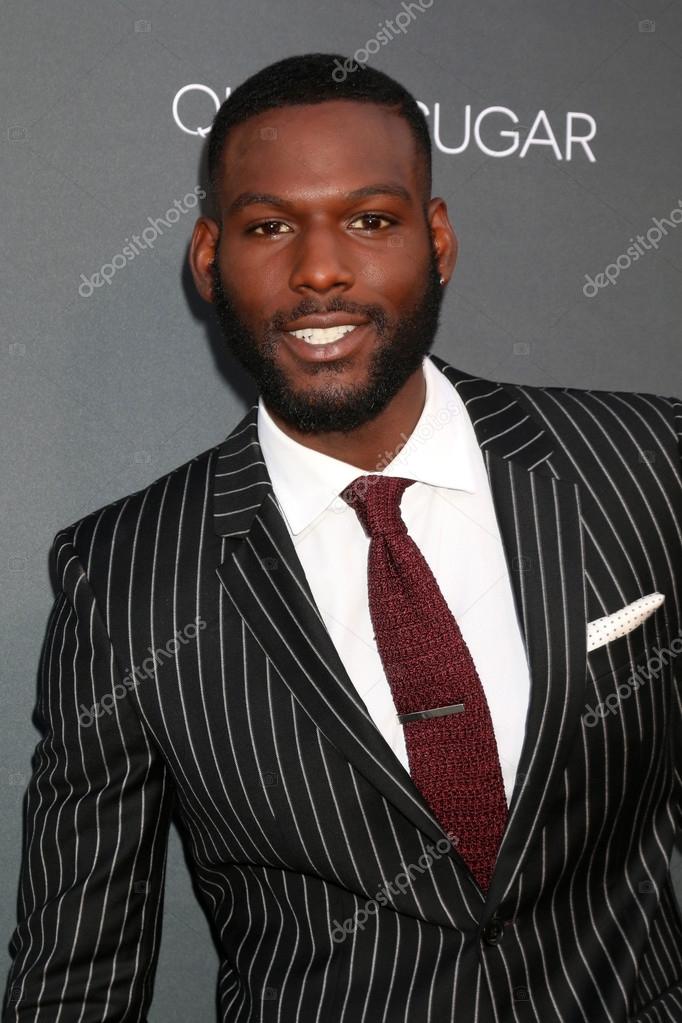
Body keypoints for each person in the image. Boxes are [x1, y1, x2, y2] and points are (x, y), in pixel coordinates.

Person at [3, 51, 682, 1023]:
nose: (319, 269)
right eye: (269, 225)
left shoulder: (646, 463)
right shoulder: (125, 578)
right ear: (206, 258)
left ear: (436, 240)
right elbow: (77, 977)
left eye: (370, 220)